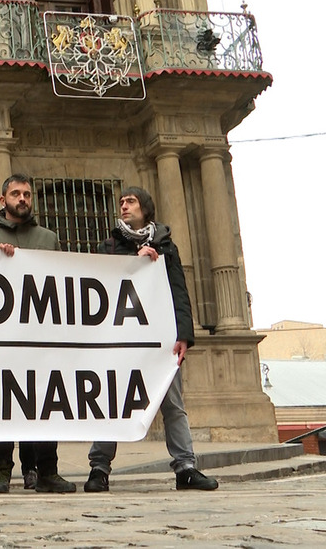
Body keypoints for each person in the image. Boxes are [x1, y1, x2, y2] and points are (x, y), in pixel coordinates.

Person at [83, 187, 218, 492]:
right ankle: (99, 469)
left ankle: (186, 467)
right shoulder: (109, 246)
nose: (123, 206)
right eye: (120, 203)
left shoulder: (166, 246)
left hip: (159, 342)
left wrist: (184, 335)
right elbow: (100, 284)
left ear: (145, 208)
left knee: (172, 404)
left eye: (130, 201)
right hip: (120, 341)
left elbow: (178, 293)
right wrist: (135, 260)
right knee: (112, 401)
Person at [0, 173, 77, 494]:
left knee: (45, 405)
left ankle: (48, 471)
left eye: (28, 194)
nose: (23, 199)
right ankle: (2, 471)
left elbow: (62, 284)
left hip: (41, 340)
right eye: (16, 194)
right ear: (3, 200)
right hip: (0, 340)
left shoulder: (49, 239)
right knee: (1, 405)